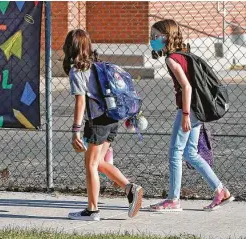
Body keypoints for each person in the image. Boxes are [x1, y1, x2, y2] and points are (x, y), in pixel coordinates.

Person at [149, 19, 235, 212]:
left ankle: (173, 200)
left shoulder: (172, 59)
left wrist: (186, 114)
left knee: (175, 153)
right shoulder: (184, 54)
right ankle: (221, 190)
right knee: (190, 152)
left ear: (166, 37)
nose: (152, 40)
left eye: (155, 36)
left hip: (189, 110)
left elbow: (186, 87)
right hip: (196, 109)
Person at [63, 29, 143, 221]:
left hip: (98, 122)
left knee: (90, 164)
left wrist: (75, 130)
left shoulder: (77, 71)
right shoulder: (97, 65)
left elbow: (80, 102)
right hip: (112, 118)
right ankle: (130, 188)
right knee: (98, 162)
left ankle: (92, 210)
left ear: (69, 47)